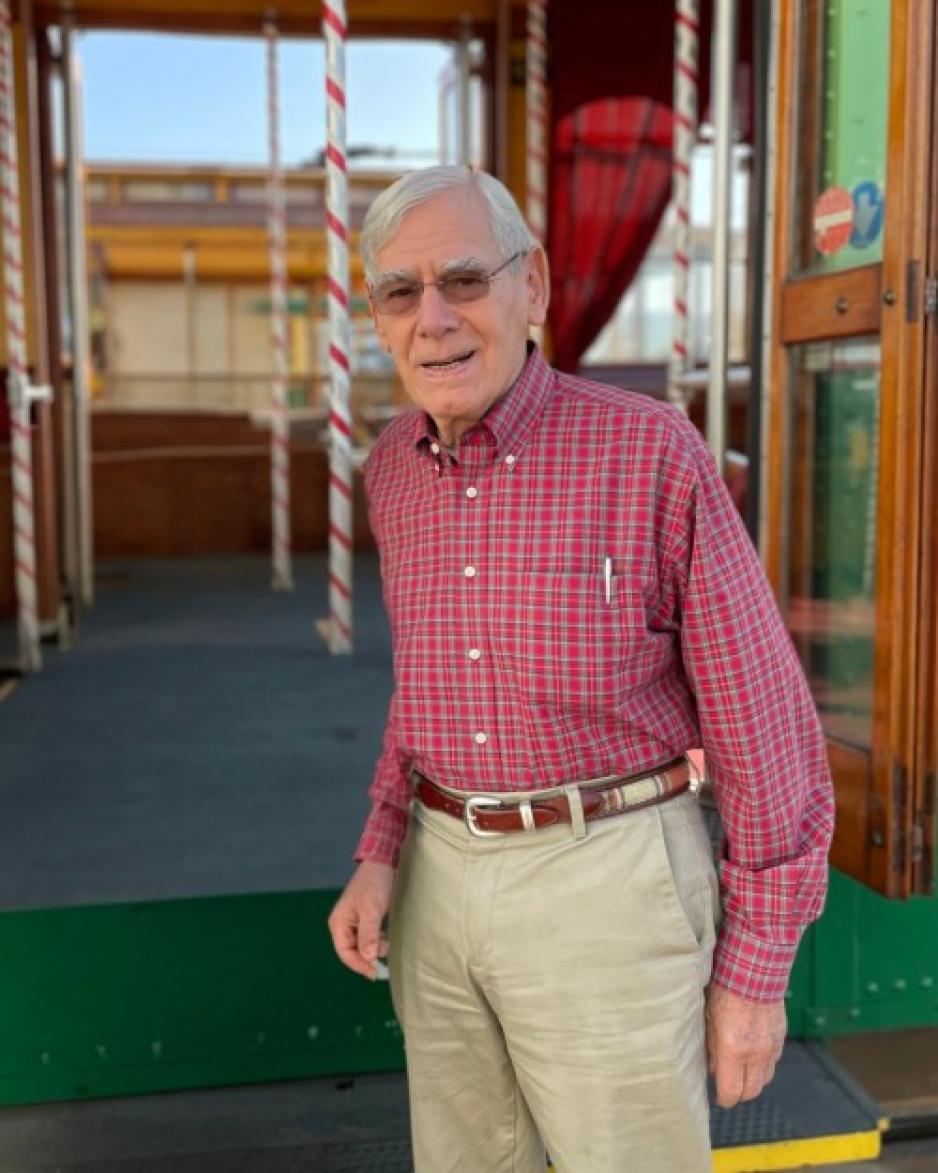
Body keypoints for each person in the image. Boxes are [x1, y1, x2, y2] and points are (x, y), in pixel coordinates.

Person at [328, 165, 834, 1173]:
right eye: (400, 292)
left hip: (609, 878)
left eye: (464, 281)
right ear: (378, 319)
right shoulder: (390, 466)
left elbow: (758, 718)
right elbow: (423, 684)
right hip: (437, 881)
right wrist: (382, 844)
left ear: (536, 288)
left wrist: (754, 972)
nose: (433, 319)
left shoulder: (649, 452)